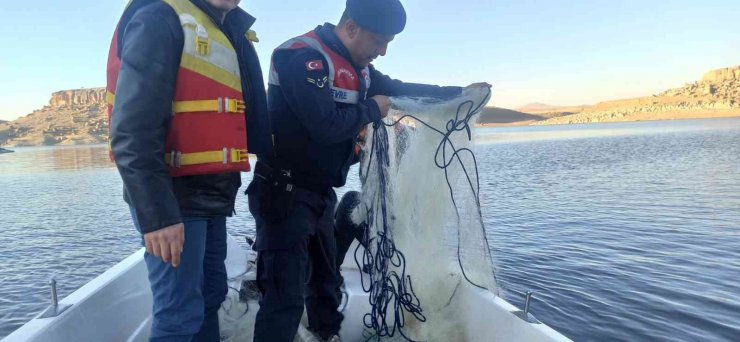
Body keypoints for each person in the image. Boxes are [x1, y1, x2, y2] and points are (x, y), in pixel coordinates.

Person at [246, 1, 491, 341]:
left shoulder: (359, 68)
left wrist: (460, 94)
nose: (383, 52)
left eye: (388, 43)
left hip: (320, 195)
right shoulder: (299, 56)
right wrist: (372, 108)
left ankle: (326, 334)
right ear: (350, 29)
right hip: (283, 194)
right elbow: (325, 126)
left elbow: (402, 88)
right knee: (284, 297)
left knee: (325, 283)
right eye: (378, 42)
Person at [106, 0, 272, 340]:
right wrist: (158, 215)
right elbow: (131, 132)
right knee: (179, 315)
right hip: (174, 200)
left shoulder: (225, 28)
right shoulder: (160, 18)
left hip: (213, 196)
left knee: (210, 297)